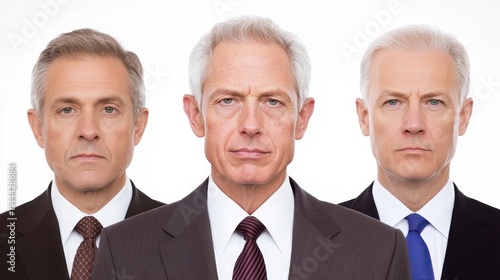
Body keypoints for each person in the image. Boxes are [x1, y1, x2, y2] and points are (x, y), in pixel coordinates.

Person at [92, 16, 410, 280]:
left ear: (302, 117)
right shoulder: (124, 248)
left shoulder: (380, 250)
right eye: (228, 100)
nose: (251, 125)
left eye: (273, 102)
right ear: (195, 115)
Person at [0, 29, 164, 280]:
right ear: (38, 128)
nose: (88, 131)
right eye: (67, 110)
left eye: (109, 109)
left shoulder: (194, 239)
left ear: (138, 126)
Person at [340, 25, 500, 279]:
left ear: (463, 116)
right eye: (393, 102)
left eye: (434, 102)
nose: (414, 124)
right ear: (364, 117)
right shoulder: (309, 241)